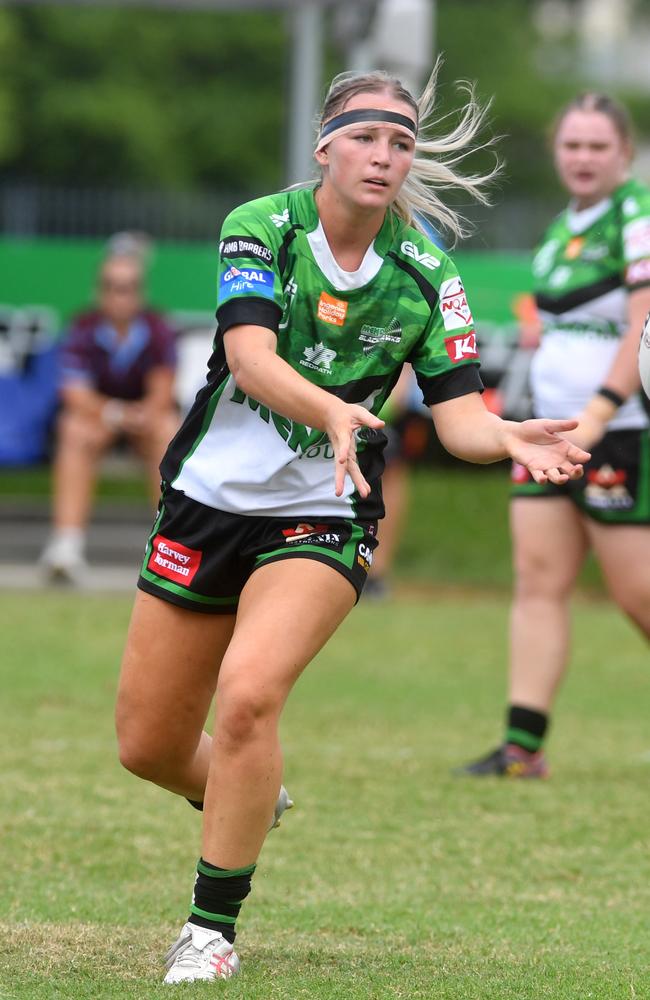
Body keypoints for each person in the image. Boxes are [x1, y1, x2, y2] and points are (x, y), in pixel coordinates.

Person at [114, 65, 589, 984]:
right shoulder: (263, 227)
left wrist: (508, 436)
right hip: (207, 501)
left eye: (402, 142)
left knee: (249, 697)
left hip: (322, 512)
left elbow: (458, 420)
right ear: (324, 145)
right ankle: (249, 788)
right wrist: (333, 408)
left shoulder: (426, 274)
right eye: (367, 136)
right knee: (149, 746)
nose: (385, 155)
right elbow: (248, 358)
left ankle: (210, 932)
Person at [459, 93, 650, 779]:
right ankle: (521, 748)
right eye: (572, 145)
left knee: (639, 595)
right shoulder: (563, 226)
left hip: (619, 429)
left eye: (598, 146)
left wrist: (599, 412)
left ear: (623, 152)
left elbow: (643, 325)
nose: (584, 158)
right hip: (545, 430)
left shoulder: (637, 215)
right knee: (538, 580)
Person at [40, 248, 178, 584]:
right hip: (99, 418)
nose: (120, 296)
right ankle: (66, 548)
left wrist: (141, 414)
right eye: (112, 287)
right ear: (100, 291)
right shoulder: (82, 327)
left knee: (168, 430)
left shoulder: (159, 328)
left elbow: (162, 390)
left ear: (140, 292)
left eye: (128, 287)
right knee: (73, 431)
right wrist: (116, 413)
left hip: (144, 419)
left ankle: (171, 546)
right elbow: (74, 394)